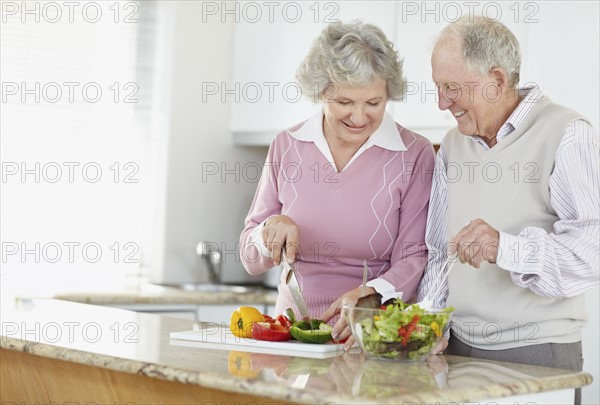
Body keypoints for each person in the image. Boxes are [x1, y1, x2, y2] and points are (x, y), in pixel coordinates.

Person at [417, 16, 599, 404]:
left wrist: (506, 248)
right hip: (455, 351)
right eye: (438, 87)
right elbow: (438, 253)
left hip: (537, 352)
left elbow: (591, 252)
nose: (441, 102)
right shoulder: (452, 144)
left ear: (496, 81)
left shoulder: (566, 132)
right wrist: (428, 323)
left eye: (451, 87)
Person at [240, 21, 435, 345]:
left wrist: (371, 296)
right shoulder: (287, 145)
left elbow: (414, 258)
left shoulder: (414, 154)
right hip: (291, 335)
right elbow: (249, 256)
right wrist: (268, 232)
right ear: (320, 91)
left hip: (369, 335)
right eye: (344, 102)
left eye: (373, 103)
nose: (359, 117)